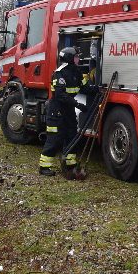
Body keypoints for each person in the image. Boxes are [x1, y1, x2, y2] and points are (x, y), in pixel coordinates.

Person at [38, 47, 91, 178]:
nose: (79, 59)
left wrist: (98, 90)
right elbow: (61, 95)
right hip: (56, 111)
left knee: (71, 135)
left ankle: (70, 164)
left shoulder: (77, 72)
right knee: (54, 138)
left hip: (69, 110)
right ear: (69, 58)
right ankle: (44, 167)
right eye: (76, 57)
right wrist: (78, 104)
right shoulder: (59, 73)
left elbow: (84, 87)